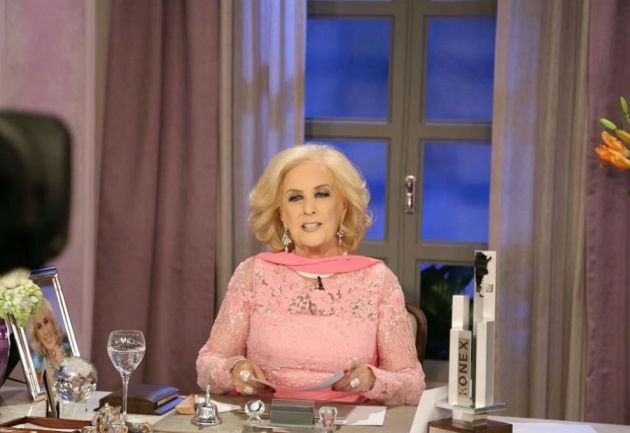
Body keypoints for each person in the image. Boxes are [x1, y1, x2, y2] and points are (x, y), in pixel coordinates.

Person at [196, 144, 425, 405]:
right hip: (265, 419)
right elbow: (207, 364)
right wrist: (234, 371)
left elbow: (412, 384)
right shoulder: (252, 273)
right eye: (295, 198)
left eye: (322, 194)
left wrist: (374, 380)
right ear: (282, 214)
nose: (308, 209)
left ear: (343, 207)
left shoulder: (379, 280)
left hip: (347, 422)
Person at [26, 298, 70, 378]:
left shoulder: (70, 349)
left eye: (46, 321)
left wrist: (63, 363)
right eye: (39, 327)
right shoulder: (37, 365)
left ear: (52, 322)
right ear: (36, 335)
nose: (45, 331)